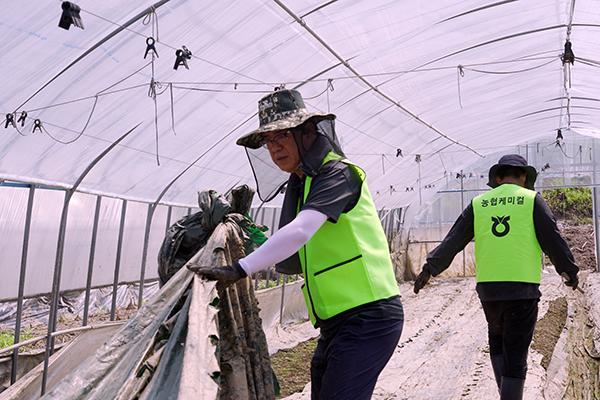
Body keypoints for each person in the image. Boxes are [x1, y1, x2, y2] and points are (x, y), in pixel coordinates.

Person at [190, 88, 404, 399]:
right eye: (268, 141)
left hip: (369, 316)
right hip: (337, 322)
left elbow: (301, 231)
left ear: (307, 132)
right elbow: (294, 236)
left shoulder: (337, 174)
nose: (273, 147)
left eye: (281, 136)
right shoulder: (306, 182)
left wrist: (241, 268)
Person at [413, 154, 579, 400]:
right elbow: (553, 240)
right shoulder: (532, 200)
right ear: (523, 177)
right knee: (516, 355)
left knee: (498, 341)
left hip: (489, 292)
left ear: (498, 177)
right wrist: (569, 272)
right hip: (521, 290)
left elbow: (454, 240)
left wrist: (429, 269)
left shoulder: (478, 203)